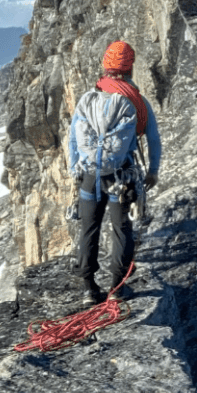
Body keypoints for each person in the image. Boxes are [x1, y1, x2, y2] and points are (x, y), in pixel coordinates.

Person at [68, 40, 161, 305]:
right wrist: (152, 171)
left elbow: (73, 139)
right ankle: (118, 288)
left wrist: (75, 169)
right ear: (129, 68)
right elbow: (153, 139)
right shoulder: (136, 102)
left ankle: (88, 288)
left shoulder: (88, 99)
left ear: (106, 67)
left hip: (89, 175)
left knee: (88, 228)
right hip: (121, 177)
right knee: (121, 229)